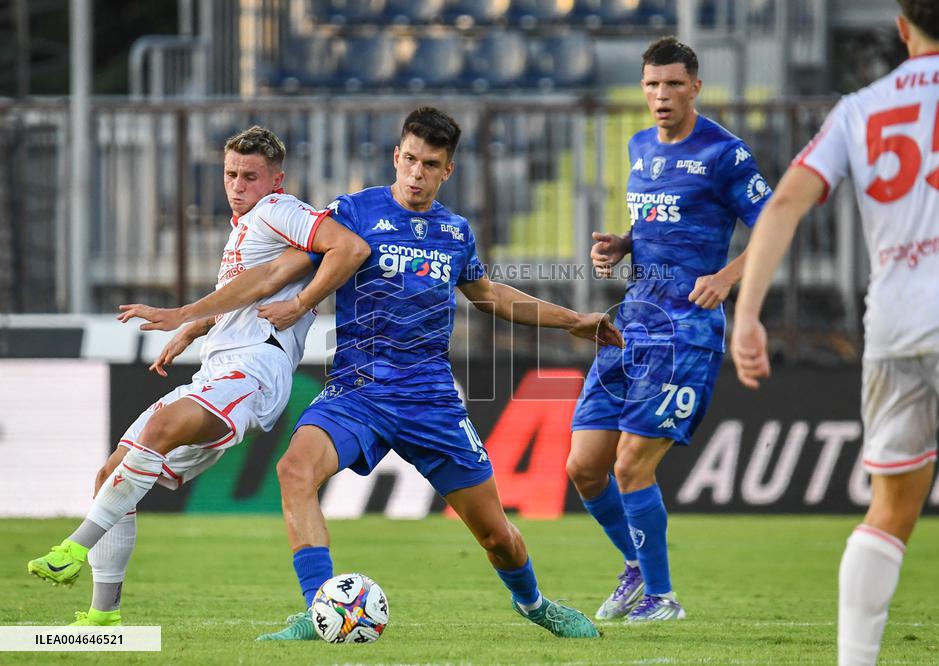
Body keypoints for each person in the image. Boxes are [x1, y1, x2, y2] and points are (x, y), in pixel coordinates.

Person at [170, 107, 621, 640]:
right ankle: (320, 611)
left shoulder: (455, 232)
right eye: (408, 159)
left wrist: (575, 321)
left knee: (497, 535)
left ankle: (535, 604)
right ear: (395, 156)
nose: (415, 173)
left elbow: (489, 295)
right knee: (294, 472)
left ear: (447, 170)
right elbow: (273, 274)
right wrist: (197, 323)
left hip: (430, 398)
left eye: (429, 164)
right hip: (356, 390)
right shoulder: (351, 214)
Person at [730, 1, 939, 664]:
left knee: (890, 508)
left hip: (894, 324)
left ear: (903, 30)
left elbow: (786, 200)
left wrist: (746, 313)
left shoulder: (860, 107)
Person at [26, 126, 371, 626]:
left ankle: (72, 549)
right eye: (230, 173)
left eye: (250, 176)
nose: (237, 185)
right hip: (221, 365)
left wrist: (297, 305)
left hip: (255, 365)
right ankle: (102, 621)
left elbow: (348, 248)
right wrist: (200, 326)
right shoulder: (249, 225)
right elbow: (254, 287)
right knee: (112, 474)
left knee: (160, 432)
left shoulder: (279, 209)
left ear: (276, 179)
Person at [565, 36, 773, 622]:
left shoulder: (725, 154)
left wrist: (729, 275)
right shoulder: (637, 147)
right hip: (633, 320)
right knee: (583, 466)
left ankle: (662, 598)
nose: (662, 95)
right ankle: (637, 568)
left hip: (686, 329)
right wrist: (622, 243)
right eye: (653, 85)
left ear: (696, 88)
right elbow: (659, 219)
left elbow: (775, 224)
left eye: (674, 84)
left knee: (632, 463)